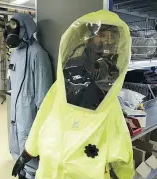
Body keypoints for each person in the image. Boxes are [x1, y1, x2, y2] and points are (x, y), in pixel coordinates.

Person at [12, 10, 135, 179]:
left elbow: (119, 135)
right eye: (102, 36)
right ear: (89, 38)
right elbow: (45, 114)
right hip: (53, 164)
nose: (107, 43)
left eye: (111, 38)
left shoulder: (108, 89)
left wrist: (124, 173)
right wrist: (28, 152)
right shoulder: (68, 74)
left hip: (85, 169)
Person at [4, 13, 53, 179]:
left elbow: (44, 102)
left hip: (30, 121)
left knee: (32, 166)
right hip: (16, 118)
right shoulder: (16, 53)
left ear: (25, 29)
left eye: (14, 28)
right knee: (18, 157)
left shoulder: (38, 55)